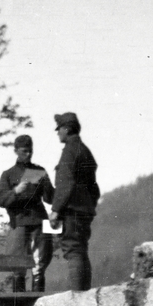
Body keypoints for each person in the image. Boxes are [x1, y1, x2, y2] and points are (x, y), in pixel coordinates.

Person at [0, 134, 53, 290]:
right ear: (16, 151)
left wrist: (49, 185)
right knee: (17, 264)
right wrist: (16, 191)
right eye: (24, 151)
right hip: (18, 222)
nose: (28, 154)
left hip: (40, 221)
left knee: (40, 265)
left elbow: (50, 198)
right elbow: (0, 200)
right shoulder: (8, 174)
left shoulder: (39, 171)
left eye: (30, 151)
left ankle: (38, 300)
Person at [49, 112, 100, 291]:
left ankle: (78, 297)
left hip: (71, 211)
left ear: (67, 129)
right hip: (84, 210)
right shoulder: (85, 151)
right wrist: (89, 206)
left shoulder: (69, 151)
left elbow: (65, 183)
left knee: (73, 251)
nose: (58, 133)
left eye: (60, 129)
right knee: (81, 251)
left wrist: (55, 210)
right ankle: (83, 294)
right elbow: (94, 188)